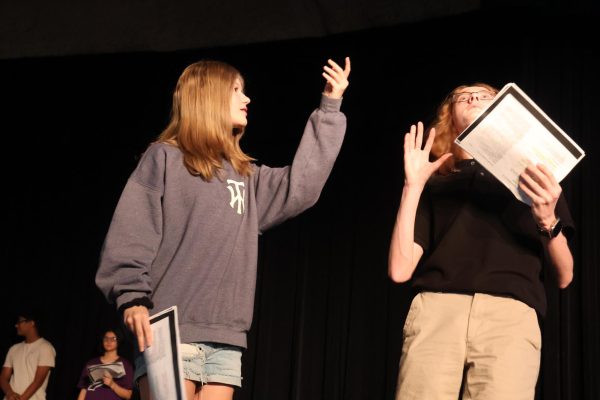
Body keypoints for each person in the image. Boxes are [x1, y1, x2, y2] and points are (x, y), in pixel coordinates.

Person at [95, 56, 351, 400]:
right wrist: (131, 298)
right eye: (236, 90)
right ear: (208, 96)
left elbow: (300, 187)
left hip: (225, 340)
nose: (247, 99)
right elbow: (131, 234)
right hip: (171, 332)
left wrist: (330, 108)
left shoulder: (245, 176)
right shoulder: (164, 158)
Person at [388, 83, 575, 400]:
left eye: (484, 95)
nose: (472, 98)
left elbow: (565, 276)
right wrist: (412, 186)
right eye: (462, 96)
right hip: (436, 310)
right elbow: (399, 269)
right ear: (450, 118)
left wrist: (547, 220)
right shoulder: (437, 180)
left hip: (510, 316)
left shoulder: (537, 180)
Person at [1, 310, 56, 400]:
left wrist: (21, 399)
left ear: (31, 323)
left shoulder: (45, 348)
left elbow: (38, 382)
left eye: (19, 322)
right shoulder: (14, 349)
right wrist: (9, 393)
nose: (16, 325)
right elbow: (3, 377)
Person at [76, 329, 133, 400]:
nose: (109, 341)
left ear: (119, 341)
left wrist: (112, 385)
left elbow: (128, 395)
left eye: (113, 339)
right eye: (106, 338)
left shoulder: (126, 365)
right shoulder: (91, 363)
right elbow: (84, 390)